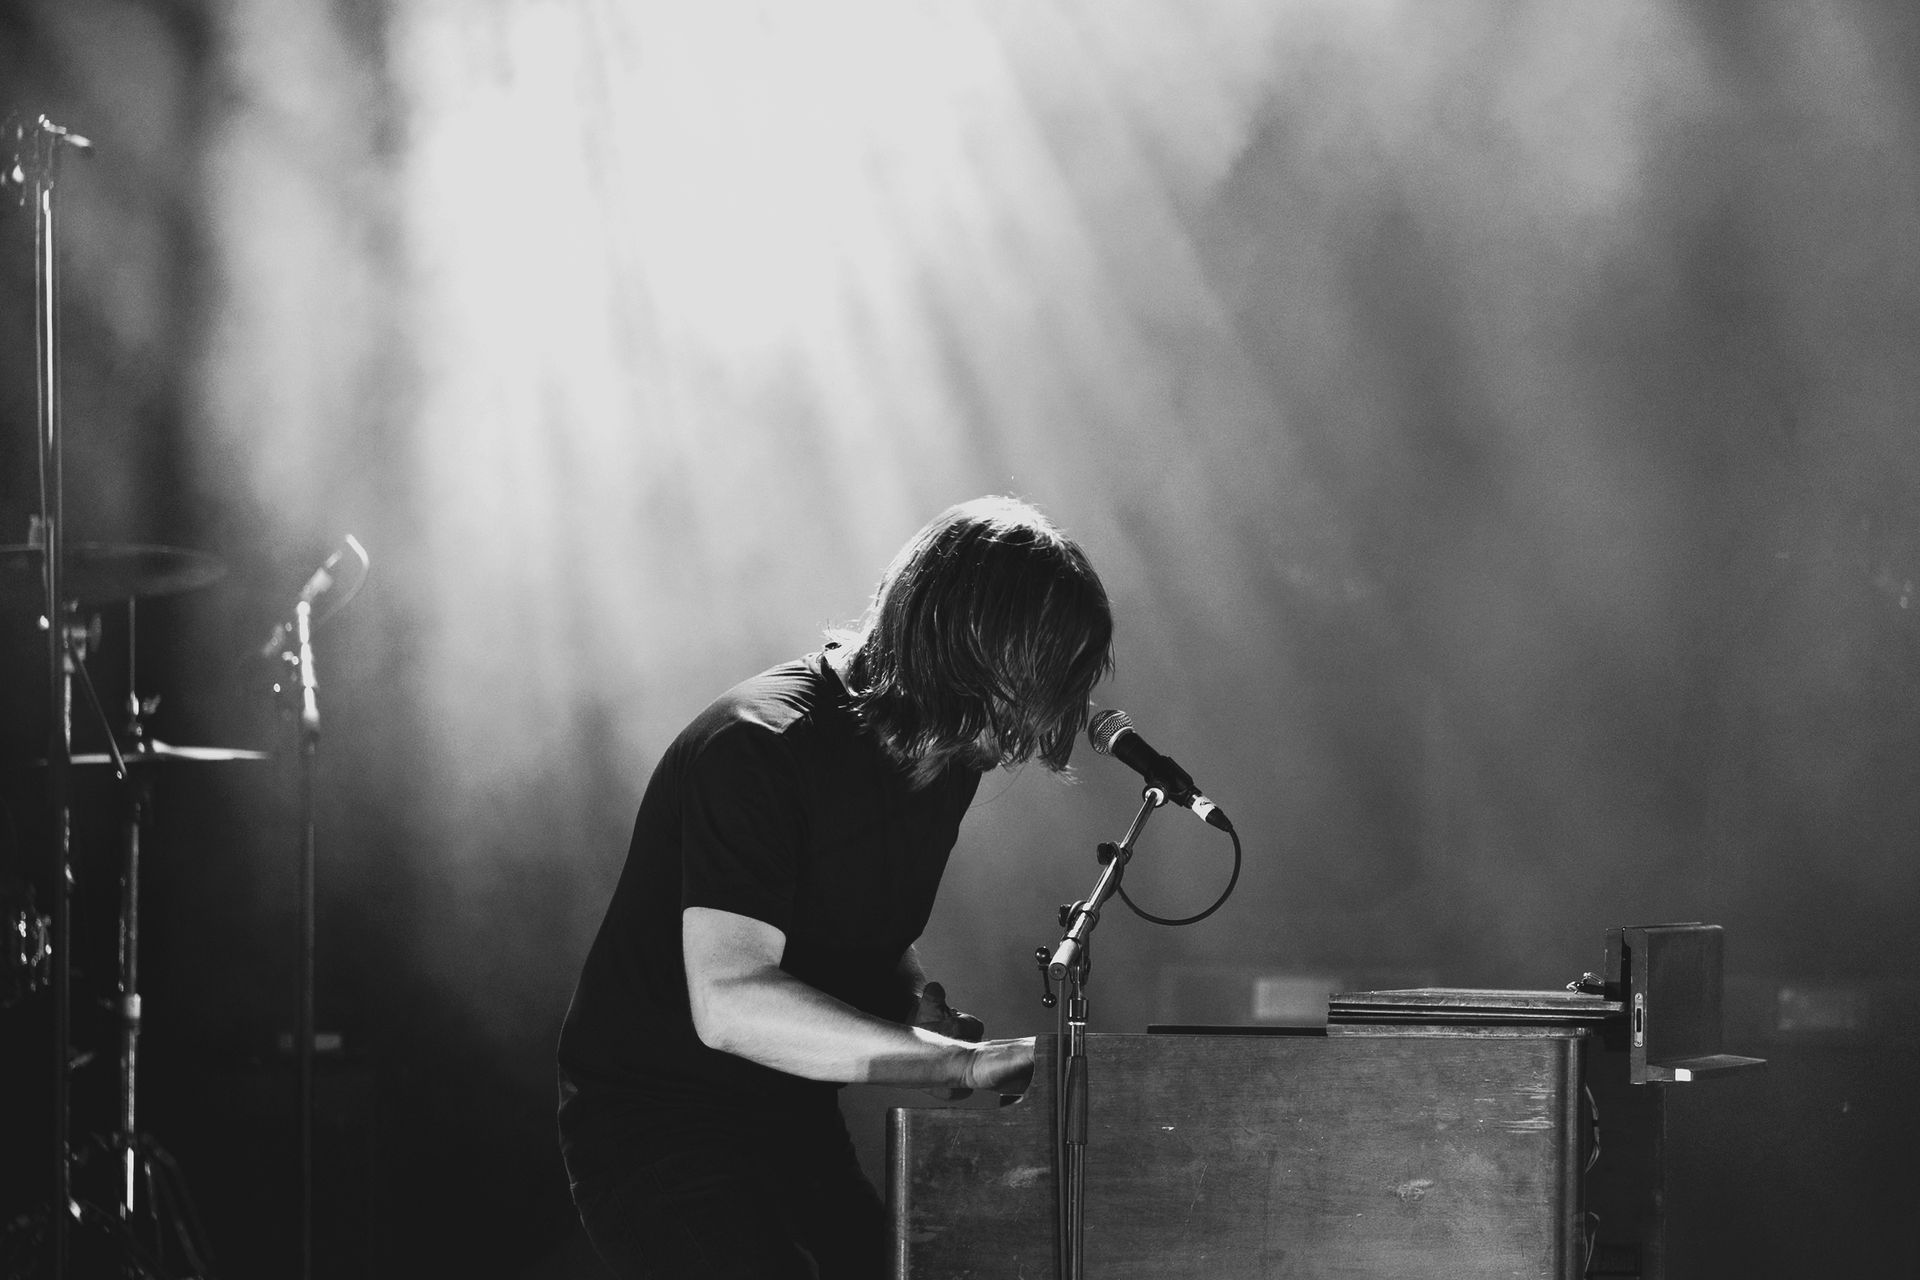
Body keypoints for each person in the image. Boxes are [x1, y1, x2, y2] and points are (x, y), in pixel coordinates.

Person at [556, 496, 1115, 1279]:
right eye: (1030, 690)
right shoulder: (758, 748)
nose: (1025, 737)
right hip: (658, 1121)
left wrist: (913, 997)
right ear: (969, 650)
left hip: (787, 1112)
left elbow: (844, 906)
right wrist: (955, 1064)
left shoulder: (944, 756)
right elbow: (732, 1002)